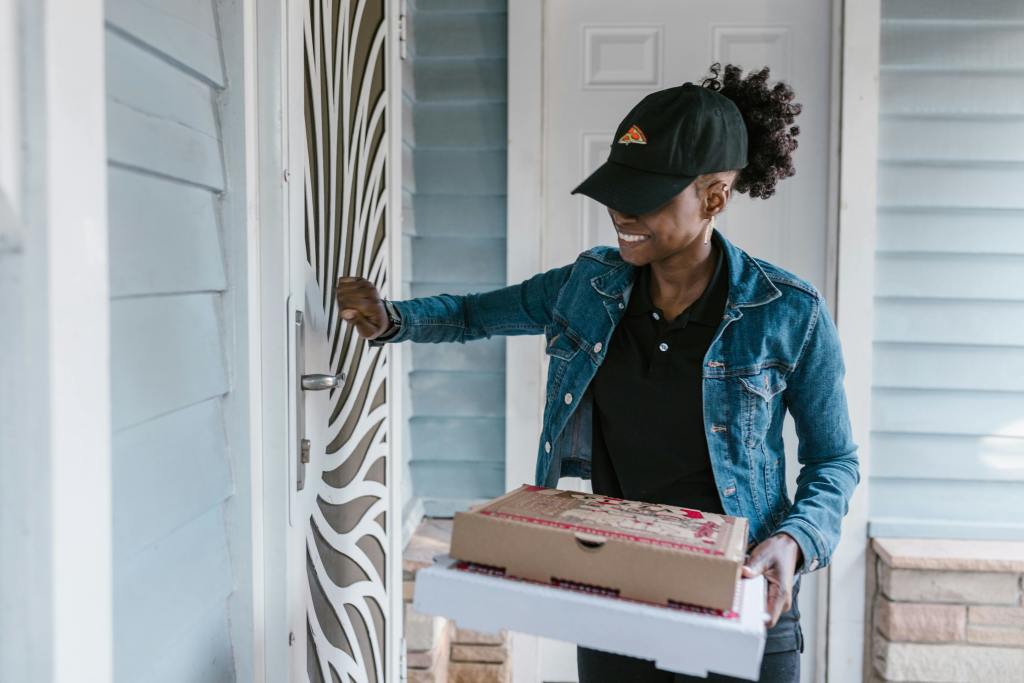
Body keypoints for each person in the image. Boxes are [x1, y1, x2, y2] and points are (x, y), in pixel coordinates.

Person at [335, 62, 859, 683]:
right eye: (617, 190)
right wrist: (392, 319)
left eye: (646, 197)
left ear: (714, 195)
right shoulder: (589, 286)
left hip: (740, 596)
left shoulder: (789, 312)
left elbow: (834, 462)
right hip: (617, 590)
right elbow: (477, 313)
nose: (620, 212)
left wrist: (793, 543)